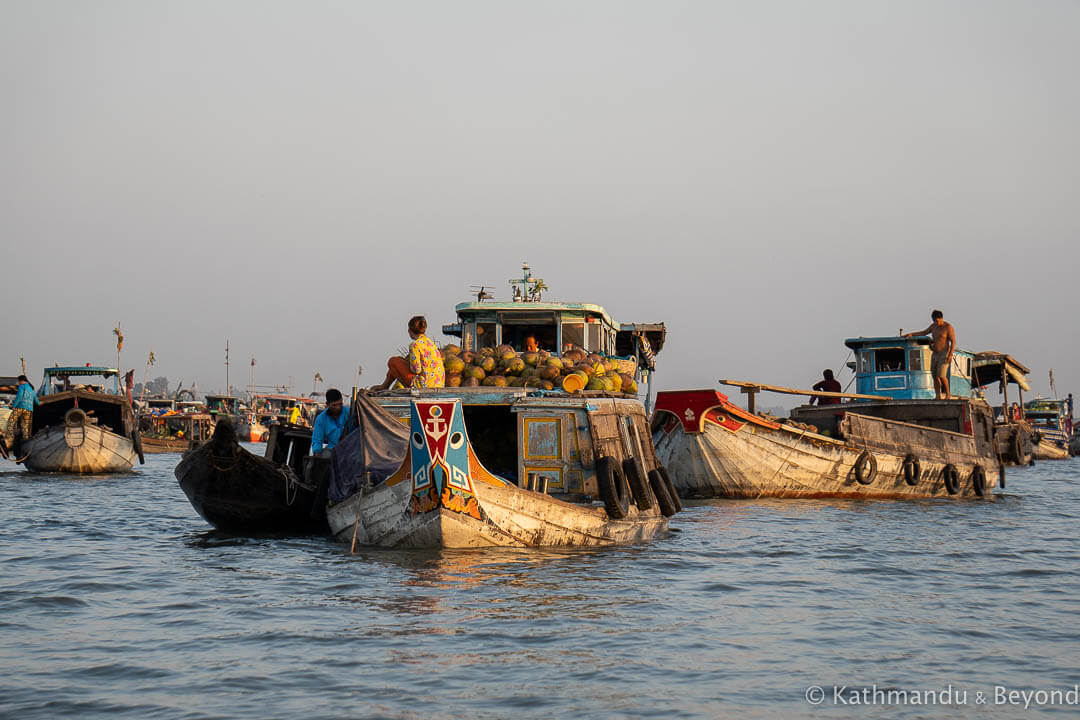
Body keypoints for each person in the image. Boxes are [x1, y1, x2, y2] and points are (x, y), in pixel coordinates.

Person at [372, 316, 446, 390]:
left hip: (424, 385)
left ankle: (384, 386)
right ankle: (384, 386)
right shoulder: (431, 343)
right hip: (438, 384)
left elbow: (416, 369)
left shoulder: (414, 345)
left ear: (409, 330)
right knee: (399, 361)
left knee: (393, 361)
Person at [903, 310, 956, 399]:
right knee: (934, 375)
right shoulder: (933, 326)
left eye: (937, 321)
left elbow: (953, 342)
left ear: (941, 318)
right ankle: (938, 396)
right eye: (934, 321)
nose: (935, 322)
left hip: (944, 353)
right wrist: (911, 334)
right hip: (935, 353)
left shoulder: (948, 327)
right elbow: (924, 332)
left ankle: (948, 394)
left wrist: (950, 354)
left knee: (942, 375)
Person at [6, 375, 38, 456]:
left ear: (21, 381)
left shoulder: (22, 387)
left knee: (11, 421)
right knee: (25, 426)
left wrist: (14, 406)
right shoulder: (31, 388)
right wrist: (39, 403)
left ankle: (9, 437)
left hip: (20, 407)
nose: (18, 383)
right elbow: (36, 400)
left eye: (19, 381)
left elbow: (19, 396)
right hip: (29, 409)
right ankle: (26, 440)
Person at [311, 388, 349, 455]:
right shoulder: (321, 419)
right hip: (332, 450)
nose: (338, 407)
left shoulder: (349, 413)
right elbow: (317, 440)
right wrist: (317, 451)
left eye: (340, 404)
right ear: (327, 404)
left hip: (350, 449)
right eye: (334, 405)